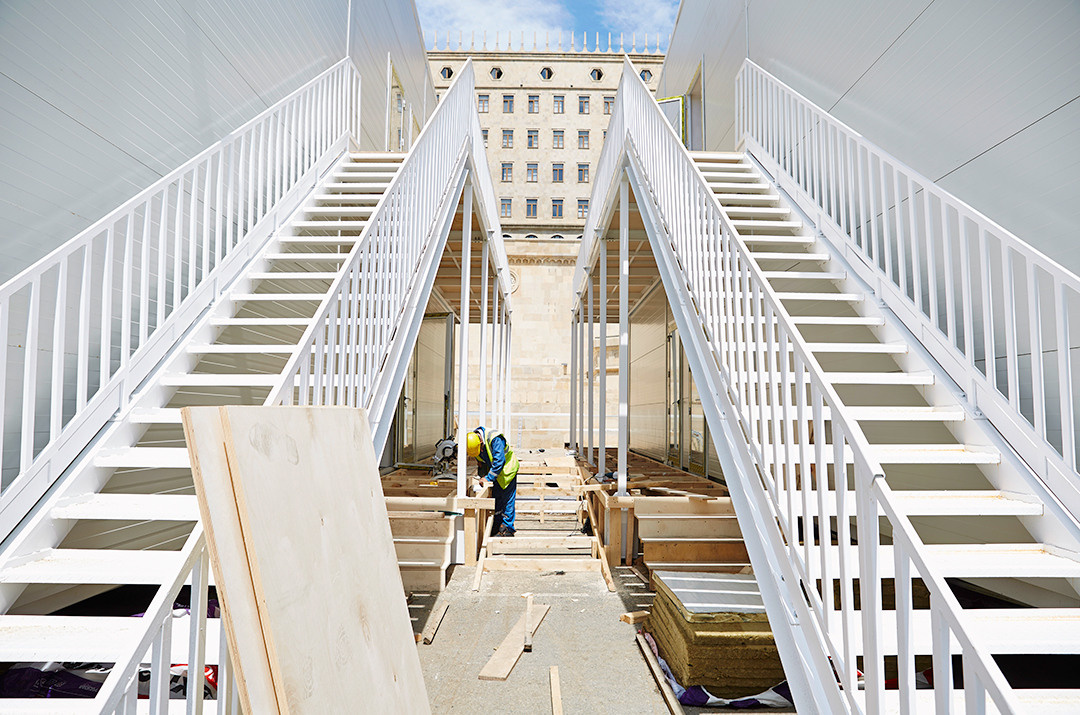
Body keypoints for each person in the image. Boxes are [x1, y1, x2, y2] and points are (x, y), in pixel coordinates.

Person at [467, 426, 519, 537]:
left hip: (507, 471)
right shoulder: (474, 443)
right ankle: (497, 525)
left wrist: (488, 478)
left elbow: (499, 462)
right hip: (495, 474)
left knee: (507, 499)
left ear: (480, 441)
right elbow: (482, 462)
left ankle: (507, 528)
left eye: (481, 449)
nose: (481, 451)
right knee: (497, 499)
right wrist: (482, 476)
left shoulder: (495, 439)